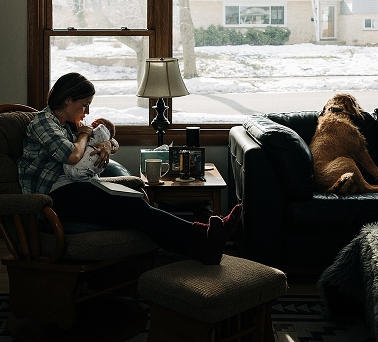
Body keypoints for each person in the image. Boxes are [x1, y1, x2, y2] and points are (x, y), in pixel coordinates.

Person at [18, 72, 241, 265]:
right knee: (133, 209)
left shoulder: (70, 125)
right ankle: (205, 236)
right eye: (84, 104)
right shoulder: (43, 122)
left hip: (73, 187)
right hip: (50, 198)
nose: (87, 111)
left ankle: (202, 246)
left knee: (134, 205)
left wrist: (108, 144)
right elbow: (73, 155)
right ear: (68, 101)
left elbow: (108, 141)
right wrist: (85, 134)